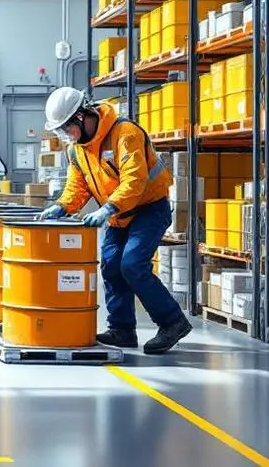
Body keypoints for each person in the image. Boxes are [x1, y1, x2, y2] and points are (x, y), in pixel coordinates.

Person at [37, 87, 192, 355]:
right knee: (110, 265)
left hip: (148, 209)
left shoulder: (125, 133)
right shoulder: (77, 150)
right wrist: (61, 207)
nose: (66, 136)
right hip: (118, 214)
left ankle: (172, 322)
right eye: (61, 131)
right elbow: (78, 188)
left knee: (132, 264)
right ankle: (122, 330)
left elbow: (134, 181)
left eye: (67, 128)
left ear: (83, 116)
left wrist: (107, 209)